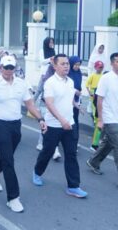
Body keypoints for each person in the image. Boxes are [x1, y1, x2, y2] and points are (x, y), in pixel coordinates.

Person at [0, 55, 47, 213]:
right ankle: (13, 198)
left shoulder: (21, 84)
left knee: (5, 157)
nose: (8, 70)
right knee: (9, 161)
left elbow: (30, 105)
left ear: (15, 68)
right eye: (5, 67)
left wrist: (40, 119)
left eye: (11, 67)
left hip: (15, 124)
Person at [32, 54, 87, 199]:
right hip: (53, 125)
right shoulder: (49, 82)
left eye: (67, 64)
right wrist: (62, 120)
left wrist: (77, 106)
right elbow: (49, 104)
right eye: (63, 64)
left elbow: (67, 99)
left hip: (70, 125)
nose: (66, 66)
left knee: (71, 155)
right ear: (55, 66)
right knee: (47, 152)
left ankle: (73, 186)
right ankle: (37, 172)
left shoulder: (70, 81)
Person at [85, 53, 118, 193]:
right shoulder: (106, 79)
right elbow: (99, 100)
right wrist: (101, 119)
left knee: (108, 144)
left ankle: (93, 162)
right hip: (108, 118)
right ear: (112, 63)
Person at [85, 61, 105, 150]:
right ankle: (94, 117)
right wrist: (90, 93)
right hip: (94, 92)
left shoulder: (103, 76)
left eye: (102, 67)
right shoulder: (93, 75)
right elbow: (87, 85)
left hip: (100, 92)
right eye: (99, 67)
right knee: (95, 108)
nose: (100, 69)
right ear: (96, 67)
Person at [68, 56, 83, 134]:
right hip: (68, 100)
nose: (77, 66)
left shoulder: (79, 73)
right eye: (75, 65)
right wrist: (74, 91)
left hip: (77, 99)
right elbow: (65, 86)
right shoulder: (67, 73)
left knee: (75, 119)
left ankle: (74, 138)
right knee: (68, 118)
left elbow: (79, 85)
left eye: (78, 64)